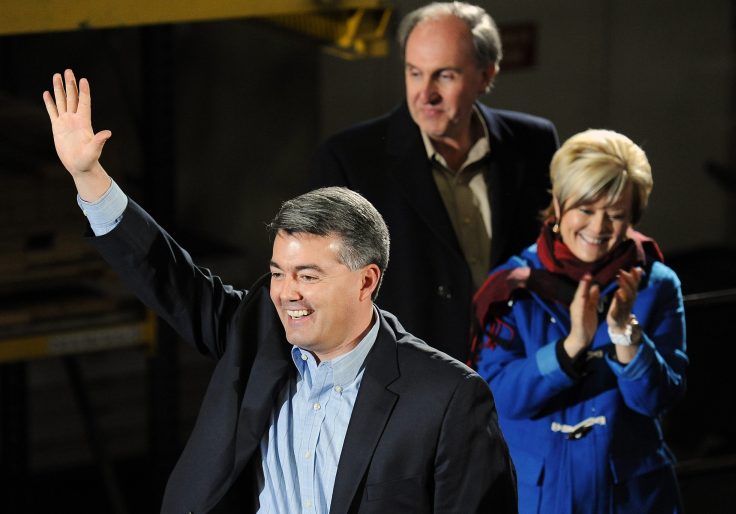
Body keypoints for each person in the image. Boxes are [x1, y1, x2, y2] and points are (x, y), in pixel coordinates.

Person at [42, 69, 517, 513]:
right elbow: (169, 277)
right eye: (277, 272)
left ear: (366, 281)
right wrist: (89, 178)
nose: (287, 293)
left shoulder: (446, 398)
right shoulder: (257, 335)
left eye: (308, 276)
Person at [309, 1, 559, 363]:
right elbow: (325, 290)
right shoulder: (348, 160)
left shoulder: (534, 141)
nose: (425, 94)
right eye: (414, 73)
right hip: (411, 379)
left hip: (521, 373)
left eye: (444, 75)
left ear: (486, 76)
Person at [472, 129, 687, 513]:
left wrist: (627, 337)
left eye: (616, 214)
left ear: (633, 217)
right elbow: (498, 398)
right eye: (586, 209)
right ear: (557, 203)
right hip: (541, 496)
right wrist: (570, 348)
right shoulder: (512, 285)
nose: (599, 227)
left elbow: (659, 400)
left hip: (632, 498)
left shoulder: (657, 284)